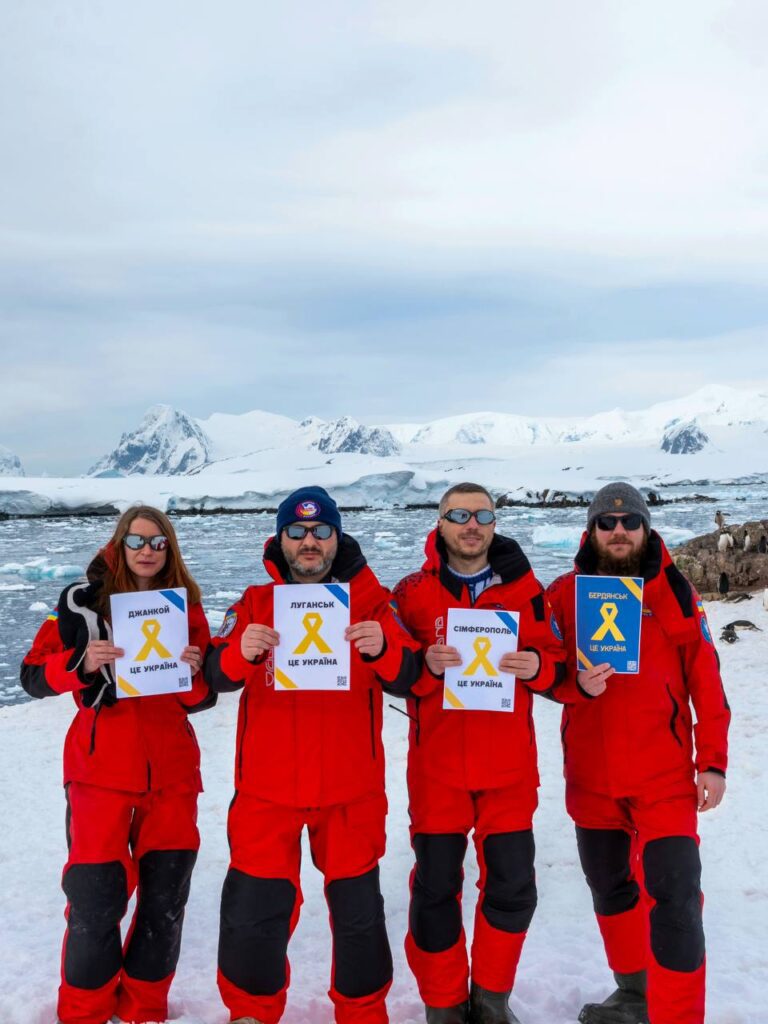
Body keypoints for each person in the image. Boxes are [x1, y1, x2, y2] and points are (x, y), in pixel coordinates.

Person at [204, 486, 422, 1024]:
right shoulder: (253, 603)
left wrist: (384, 648)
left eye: (321, 531)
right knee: (254, 914)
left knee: (358, 918)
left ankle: (363, 1013)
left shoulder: (374, 604)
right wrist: (239, 652)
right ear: (280, 540)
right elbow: (212, 677)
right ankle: (250, 1013)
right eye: (297, 532)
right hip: (266, 791)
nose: (309, 542)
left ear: (336, 539)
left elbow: (413, 676)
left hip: (350, 791)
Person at [20, 505, 215, 1024]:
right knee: (95, 898)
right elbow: (33, 675)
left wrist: (197, 670)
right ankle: (84, 1012)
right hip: (99, 772)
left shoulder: (186, 607)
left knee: (164, 900)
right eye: (137, 541)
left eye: (158, 542)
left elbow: (200, 698)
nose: (148, 551)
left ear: (169, 549)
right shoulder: (79, 604)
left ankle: (144, 1010)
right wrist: (80, 663)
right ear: (120, 544)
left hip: (172, 773)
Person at [545, 483, 730, 1024]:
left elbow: (707, 680)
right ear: (592, 530)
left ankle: (677, 1015)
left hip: (663, 777)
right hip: (591, 776)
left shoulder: (675, 591)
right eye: (608, 523)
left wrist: (712, 762)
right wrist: (571, 682)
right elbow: (541, 665)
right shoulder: (564, 592)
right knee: (610, 890)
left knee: (674, 899)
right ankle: (636, 993)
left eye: (630, 523)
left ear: (646, 529)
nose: (619, 532)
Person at [391, 482, 567, 1024]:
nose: (472, 525)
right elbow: (388, 671)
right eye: (459, 515)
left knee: (514, 888)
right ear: (440, 523)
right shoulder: (411, 592)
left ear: (494, 523)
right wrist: (424, 664)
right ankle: (443, 1004)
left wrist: (538, 667)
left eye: (483, 515)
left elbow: (558, 663)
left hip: (508, 770)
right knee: (437, 892)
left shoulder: (527, 590)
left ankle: (490, 1000)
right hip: (438, 770)